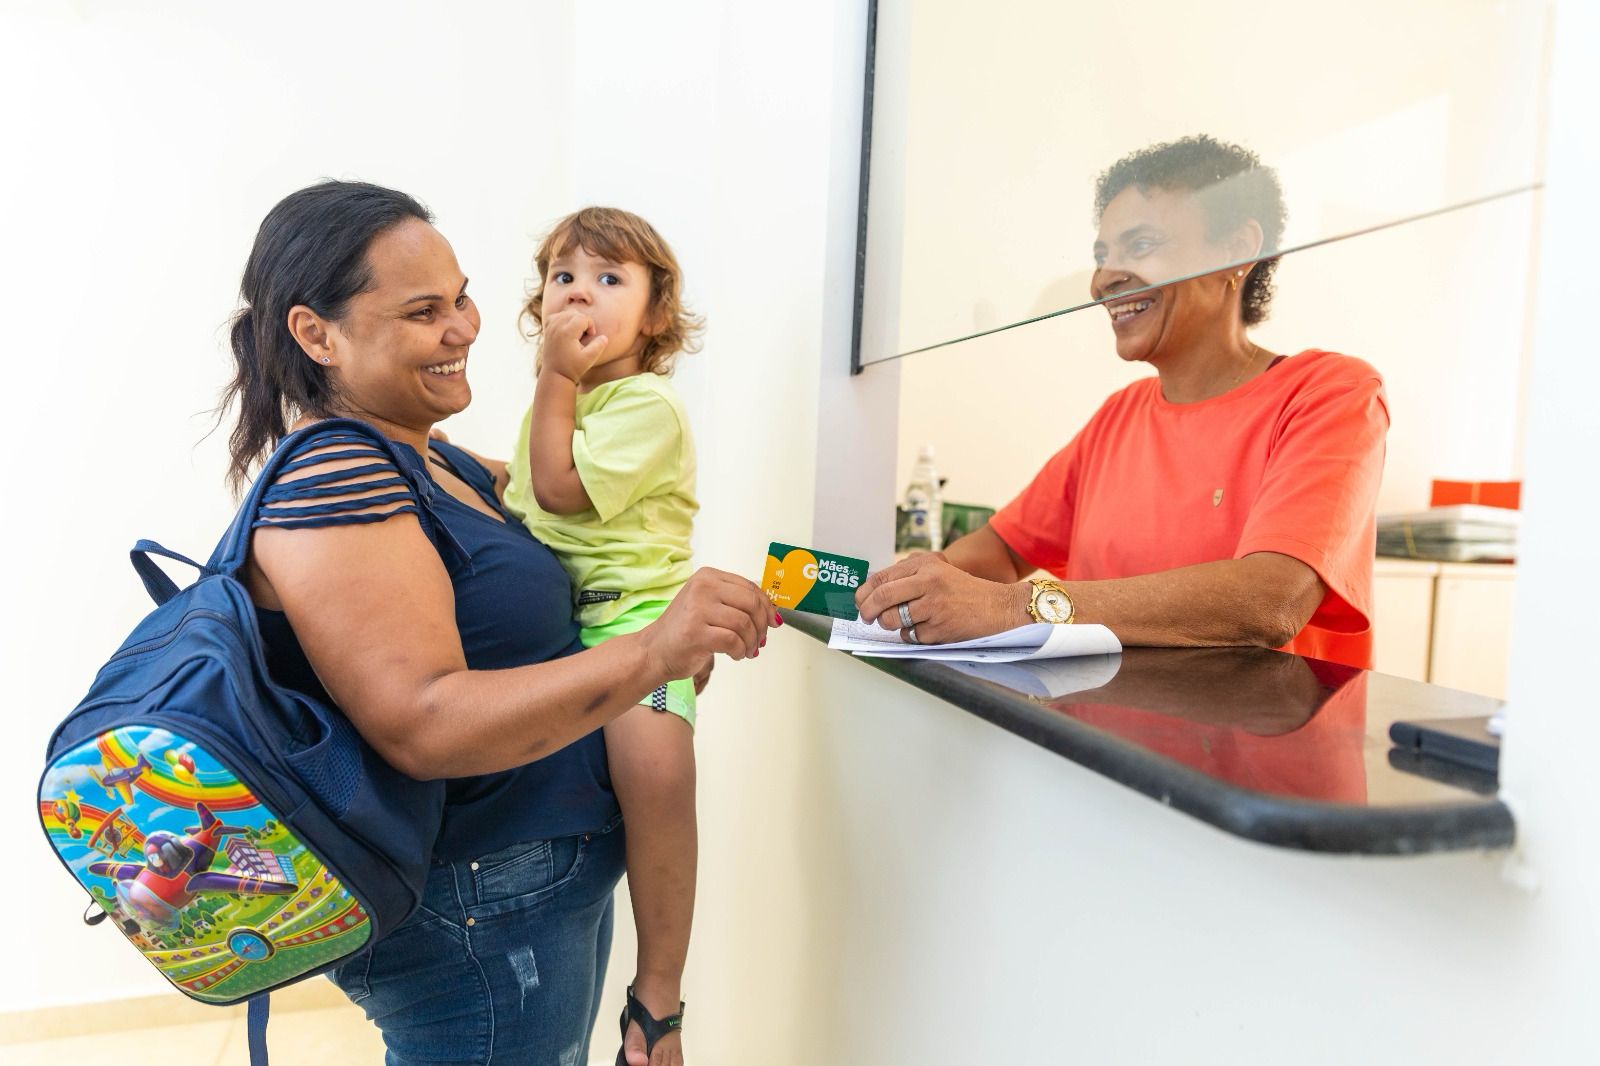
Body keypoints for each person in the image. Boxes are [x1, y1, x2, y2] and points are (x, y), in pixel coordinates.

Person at [219, 180, 774, 1065]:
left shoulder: (436, 461)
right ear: (317, 334)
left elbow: (564, 525)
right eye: (423, 311)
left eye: (462, 298)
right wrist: (648, 652)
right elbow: (425, 722)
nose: (464, 328)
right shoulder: (336, 481)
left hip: (525, 904)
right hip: (481, 924)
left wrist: (648, 640)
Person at [857, 135, 1389, 670]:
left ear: (1236, 251)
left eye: (1141, 246)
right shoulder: (1119, 416)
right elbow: (999, 551)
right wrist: (917, 588)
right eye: (1102, 256)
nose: (1102, 280)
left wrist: (1012, 607)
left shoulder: (1330, 393)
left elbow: (1270, 600)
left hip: (1259, 726)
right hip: (1094, 720)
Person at [501, 207, 703, 1066]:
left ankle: (659, 994)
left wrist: (554, 374)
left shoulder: (647, 404)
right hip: (571, 626)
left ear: (656, 316)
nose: (580, 292)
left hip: (637, 621)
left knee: (657, 777)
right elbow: (521, 486)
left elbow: (558, 491)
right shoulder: (565, 403)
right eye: (564, 277)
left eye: (610, 278)